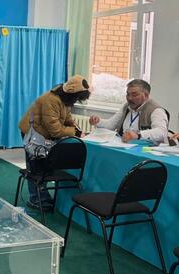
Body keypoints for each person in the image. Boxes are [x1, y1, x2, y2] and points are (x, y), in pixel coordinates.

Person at [18, 75, 90, 210]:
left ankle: (43, 197)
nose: (76, 101)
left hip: (43, 133)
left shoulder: (65, 100)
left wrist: (77, 129)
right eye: (77, 98)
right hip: (33, 135)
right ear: (71, 94)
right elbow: (55, 131)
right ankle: (36, 199)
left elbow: (67, 118)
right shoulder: (51, 100)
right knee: (35, 167)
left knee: (43, 166)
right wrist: (75, 132)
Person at [89, 79, 168, 145]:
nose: (130, 98)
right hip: (125, 147)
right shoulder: (126, 107)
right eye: (128, 94)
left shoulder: (156, 110)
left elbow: (161, 132)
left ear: (146, 95)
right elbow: (111, 125)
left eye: (134, 95)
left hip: (147, 151)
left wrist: (138, 135)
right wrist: (98, 121)